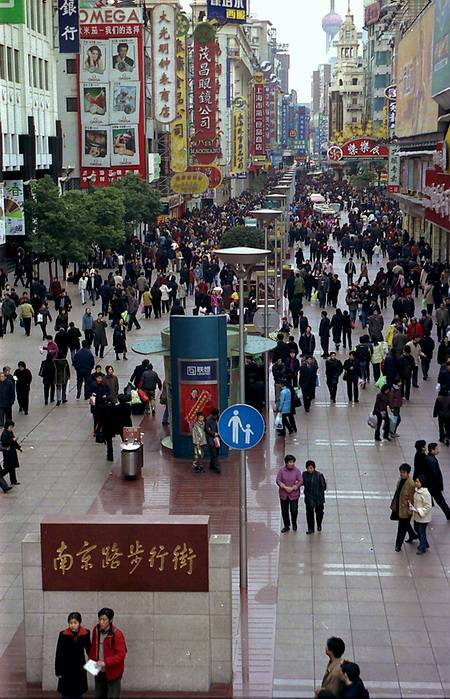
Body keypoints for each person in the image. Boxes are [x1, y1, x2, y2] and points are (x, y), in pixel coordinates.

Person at [88, 608, 127, 699]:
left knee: (112, 695)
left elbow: (121, 655)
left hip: (113, 672)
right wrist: (91, 660)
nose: (101, 622)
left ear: (110, 620)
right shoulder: (96, 630)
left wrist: (105, 662)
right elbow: (94, 647)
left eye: (104, 619)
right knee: (99, 695)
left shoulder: (117, 634)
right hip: (99, 670)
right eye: (100, 619)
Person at [54, 611, 91, 699]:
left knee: (78, 693)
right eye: (71, 623)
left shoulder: (85, 633)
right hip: (66, 668)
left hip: (79, 667)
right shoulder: (63, 634)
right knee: (66, 693)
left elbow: (89, 650)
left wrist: (94, 666)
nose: (73, 625)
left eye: (75, 623)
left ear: (79, 623)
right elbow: (59, 653)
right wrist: (58, 671)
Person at [390, 464, 418, 552]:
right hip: (399, 507)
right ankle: (412, 535)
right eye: (401, 472)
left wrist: (410, 511)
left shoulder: (411, 484)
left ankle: (398, 545)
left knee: (401, 528)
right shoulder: (400, 480)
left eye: (403, 472)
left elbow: (412, 499)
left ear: (408, 473)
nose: (401, 474)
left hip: (406, 510)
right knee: (405, 524)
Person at [276, 454, 302, 533]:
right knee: (284, 510)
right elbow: (278, 480)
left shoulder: (297, 471)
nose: (292, 463)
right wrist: (284, 486)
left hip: (294, 494)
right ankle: (286, 525)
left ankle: (294, 523)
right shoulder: (281, 471)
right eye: (290, 462)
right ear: (286, 463)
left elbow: (300, 481)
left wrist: (294, 487)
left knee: (294, 510)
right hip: (283, 494)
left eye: (293, 462)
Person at [424, 443, 450, 519]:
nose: (438, 450)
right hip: (434, 486)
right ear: (432, 450)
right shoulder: (432, 461)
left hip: (430, 485)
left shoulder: (428, 458)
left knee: (438, 501)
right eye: (437, 448)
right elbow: (435, 475)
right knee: (441, 501)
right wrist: (439, 485)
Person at [410, 474, 432, 554]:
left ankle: (422, 547)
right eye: (416, 481)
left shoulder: (425, 493)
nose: (416, 483)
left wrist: (420, 511)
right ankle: (425, 543)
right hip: (417, 515)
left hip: (423, 517)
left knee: (421, 531)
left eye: (418, 482)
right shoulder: (417, 491)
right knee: (416, 529)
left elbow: (428, 506)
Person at [303, 460, 327, 534]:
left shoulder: (319, 475)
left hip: (318, 498)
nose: (309, 470)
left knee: (319, 512)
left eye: (311, 468)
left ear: (314, 468)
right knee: (309, 513)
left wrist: (318, 494)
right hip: (309, 497)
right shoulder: (304, 474)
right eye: (308, 468)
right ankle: (310, 528)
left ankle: (319, 524)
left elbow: (323, 486)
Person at [1, 420, 22, 486]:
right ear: (8, 426)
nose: (12, 428)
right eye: (11, 427)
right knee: (8, 468)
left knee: (12, 468)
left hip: (12, 452)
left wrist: (19, 447)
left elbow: (14, 442)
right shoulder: (4, 434)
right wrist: (12, 440)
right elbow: (5, 443)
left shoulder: (10, 432)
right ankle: (1, 476)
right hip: (8, 453)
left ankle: (13, 481)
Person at [205, 408, 221, 474]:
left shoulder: (220, 418)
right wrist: (214, 433)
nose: (215, 417)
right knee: (214, 452)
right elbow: (206, 429)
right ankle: (217, 467)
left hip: (218, 439)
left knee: (216, 452)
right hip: (211, 439)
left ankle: (212, 465)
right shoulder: (208, 420)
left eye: (216, 415)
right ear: (212, 415)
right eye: (214, 416)